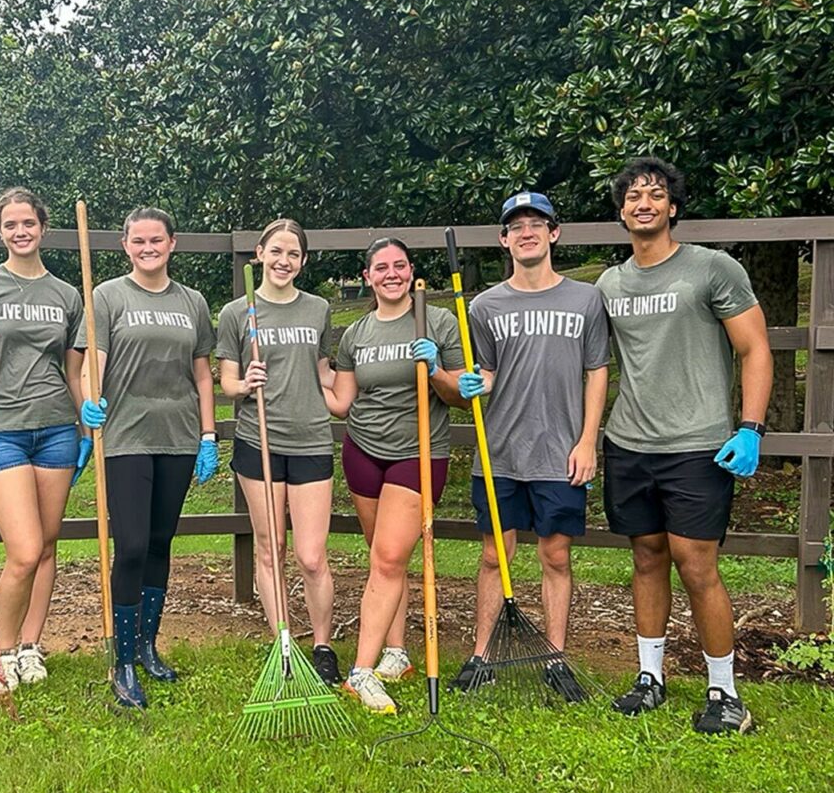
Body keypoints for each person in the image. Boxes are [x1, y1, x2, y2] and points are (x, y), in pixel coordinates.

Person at [597, 157, 772, 734]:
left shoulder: (712, 269)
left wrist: (751, 429)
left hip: (698, 445)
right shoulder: (609, 283)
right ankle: (651, 677)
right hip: (629, 443)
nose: (642, 203)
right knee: (646, 557)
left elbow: (755, 350)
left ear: (672, 207)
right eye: (632, 197)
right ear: (621, 211)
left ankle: (725, 692)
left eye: (654, 194)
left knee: (697, 566)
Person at [447, 192, 610, 700]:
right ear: (504, 240)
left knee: (555, 556)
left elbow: (596, 372)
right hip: (500, 451)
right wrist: (474, 382)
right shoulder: (485, 305)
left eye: (536, 224)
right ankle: (481, 656)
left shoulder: (585, 300)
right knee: (495, 555)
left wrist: (588, 441)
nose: (526, 233)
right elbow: (491, 372)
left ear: (554, 233)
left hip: (560, 450)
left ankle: (555, 658)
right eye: (516, 227)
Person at [76, 207, 219, 708]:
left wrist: (208, 434)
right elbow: (93, 361)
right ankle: (122, 661)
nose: (147, 248)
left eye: (156, 240)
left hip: (178, 435)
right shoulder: (108, 295)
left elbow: (202, 374)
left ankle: (147, 646)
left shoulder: (193, 302)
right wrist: (89, 398)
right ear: (125, 245)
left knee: (161, 542)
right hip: (126, 436)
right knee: (132, 544)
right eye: (138, 241)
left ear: (172, 243)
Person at [324, 238, 466, 713]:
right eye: (380, 267)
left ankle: (360, 673)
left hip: (417, 454)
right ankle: (397, 653)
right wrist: (297, 375)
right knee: (385, 560)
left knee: (387, 558)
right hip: (362, 451)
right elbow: (342, 402)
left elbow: (459, 396)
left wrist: (437, 369)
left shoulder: (436, 321)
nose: (391, 274)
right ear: (367, 276)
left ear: (411, 271)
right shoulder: (356, 334)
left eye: (399, 266)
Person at [0, 187, 86, 688]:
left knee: (49, 545)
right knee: (24, 550)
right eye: (10, 225)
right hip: (2, 426)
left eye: (28, 223)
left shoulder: (66, 295)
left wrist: (84, 417)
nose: (20, 232)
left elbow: (74, 372)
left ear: (42, 228)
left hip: (55, 428)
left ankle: (30, 645)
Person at [216, 219, 341, 685]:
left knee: (311, 556)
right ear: (260, 254)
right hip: (259, 440)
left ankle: (323, 645)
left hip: (309, 438)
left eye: (293, 254)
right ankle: (283, 645)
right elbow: (227, 381)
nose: (284, 261)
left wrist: (355, 390)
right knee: (271, 549)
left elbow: (325, 371)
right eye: (276, 252)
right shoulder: (237, 312)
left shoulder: (319, 309)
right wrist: (245, 382)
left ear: (303, 261)